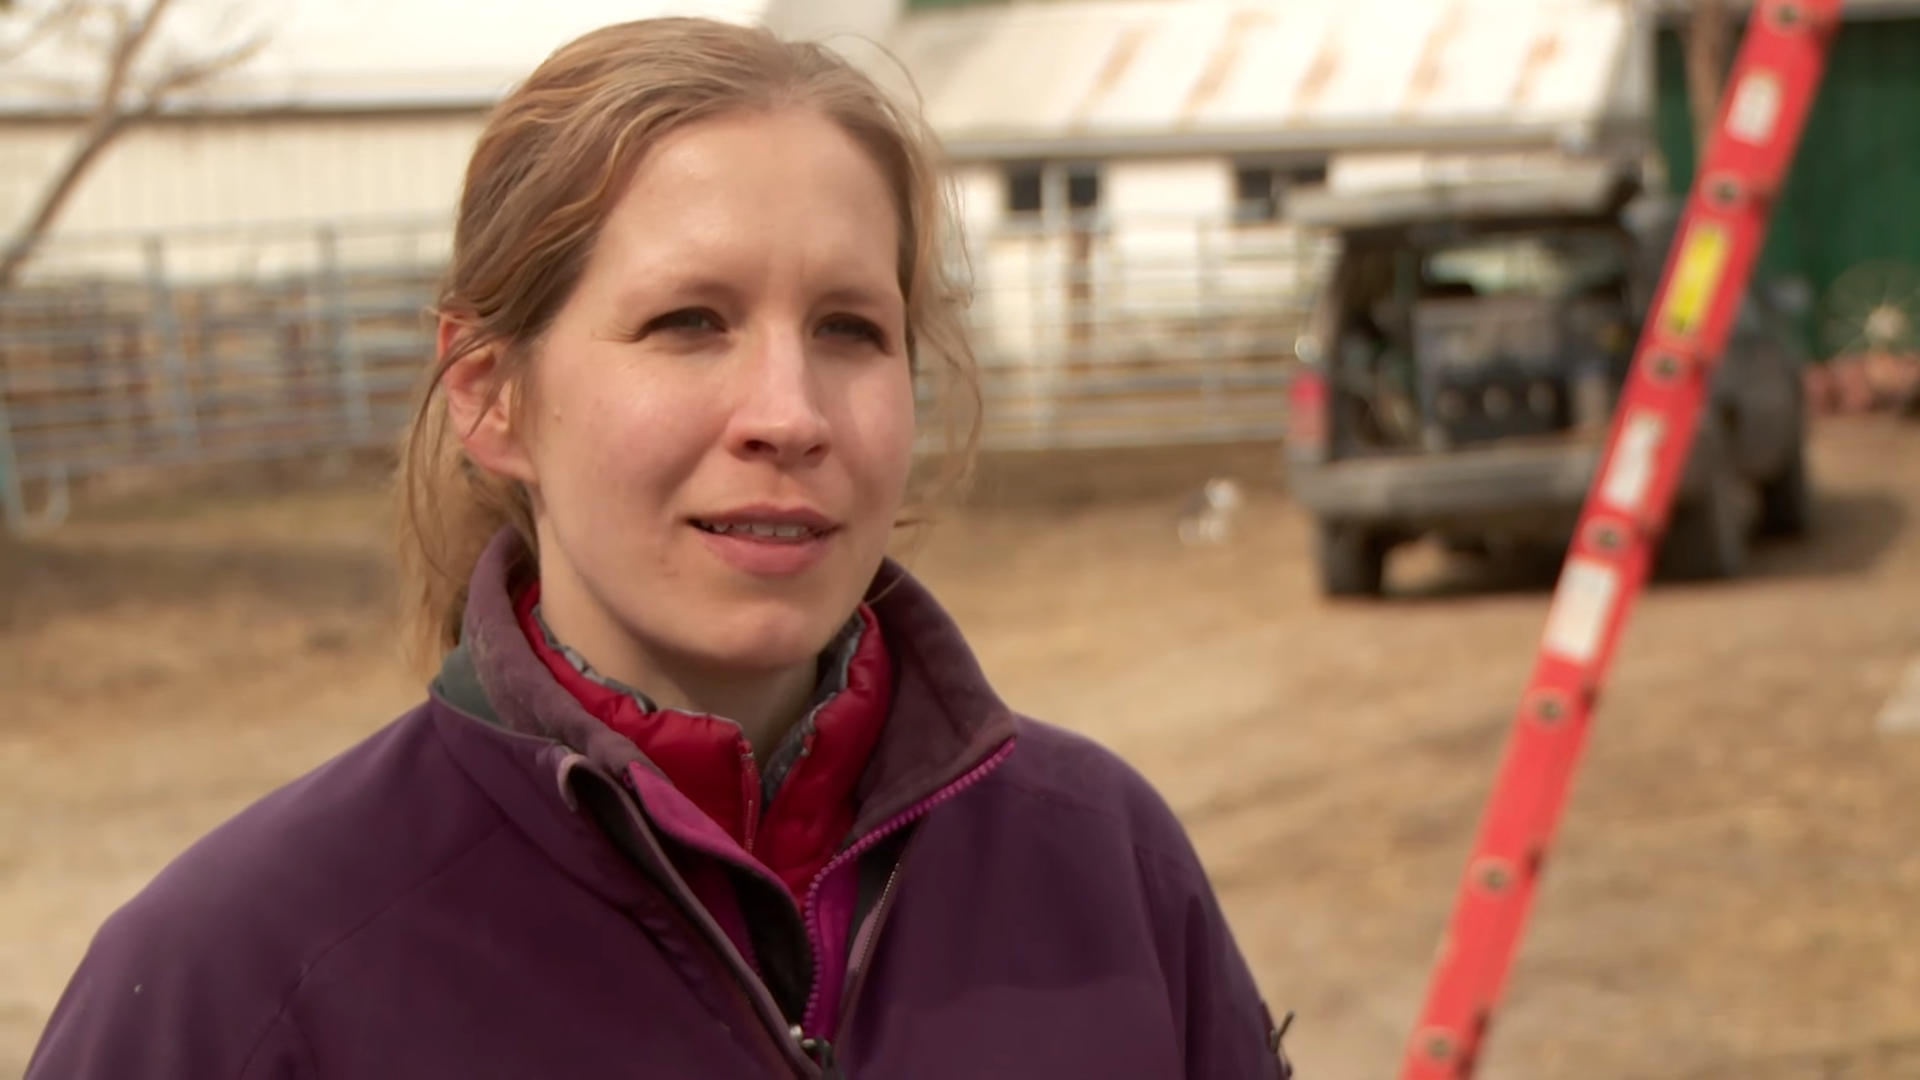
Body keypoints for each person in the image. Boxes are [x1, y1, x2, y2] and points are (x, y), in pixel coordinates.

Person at [27, 17, 1292, 1079]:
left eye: (850, 329)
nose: (789, 415)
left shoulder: (1106, 867)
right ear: (489, 394)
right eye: (690, 321)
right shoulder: (241, 979)